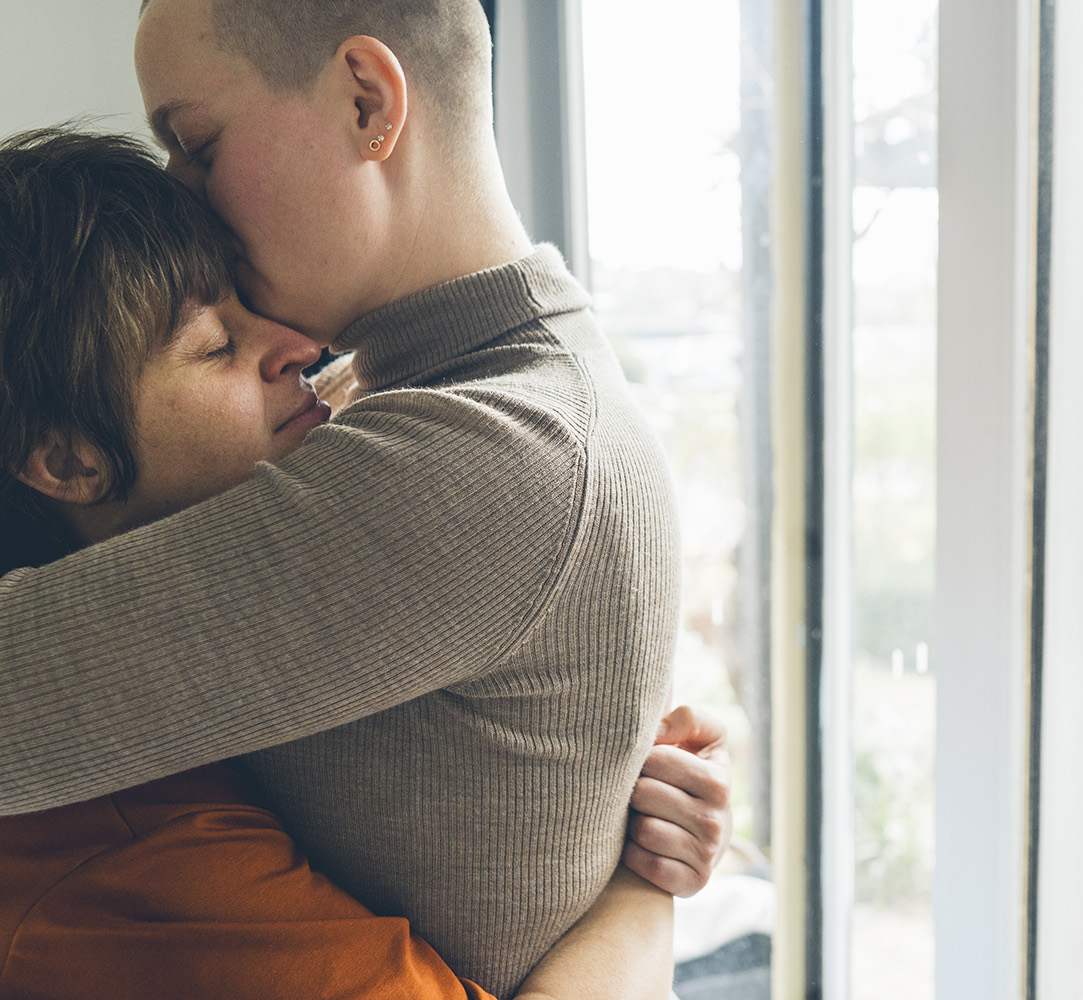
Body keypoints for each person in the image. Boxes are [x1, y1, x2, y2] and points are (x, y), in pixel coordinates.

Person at [0, 0, 731, 994]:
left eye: (196, 142)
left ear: (366, 100)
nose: (183, 192)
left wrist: (642, 890)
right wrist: (640, 893)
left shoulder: (491, 456)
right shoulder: (374, 403)